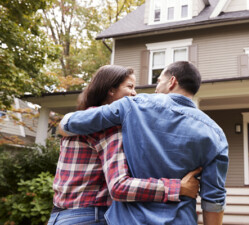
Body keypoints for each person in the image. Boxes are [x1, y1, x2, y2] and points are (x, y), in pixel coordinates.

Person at [60, 61, 229, 225]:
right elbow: (214, 199)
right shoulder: (215, 134)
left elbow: (76, 122)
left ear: (172, 82)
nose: (155, 88)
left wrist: (63, 125)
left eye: (158, 81)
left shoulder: (133, 106)